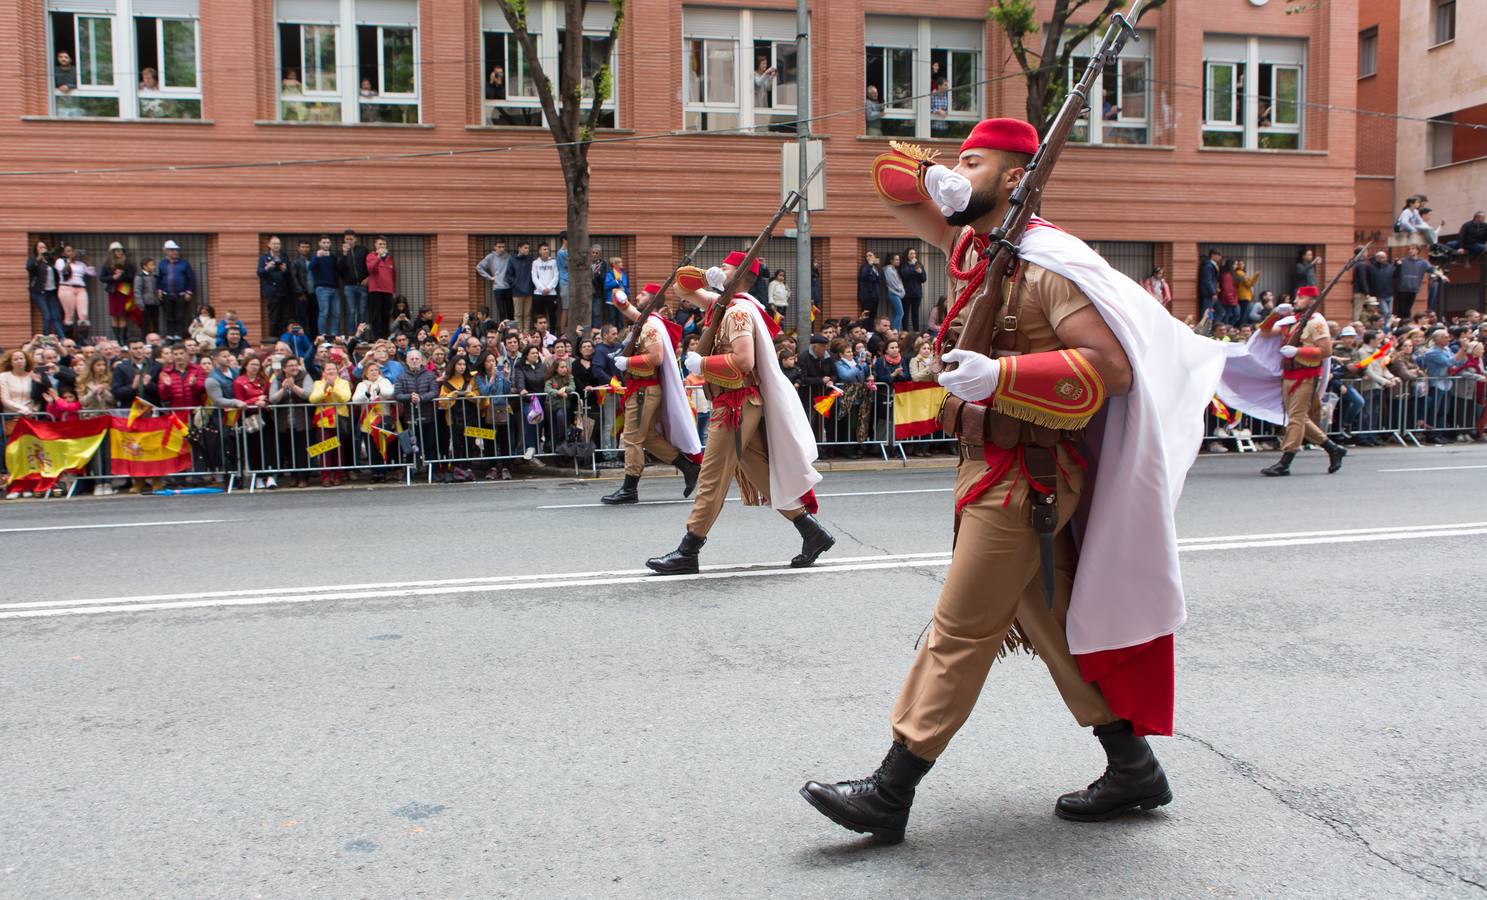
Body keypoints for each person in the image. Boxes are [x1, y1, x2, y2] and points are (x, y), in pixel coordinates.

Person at [804, 118, 1238, 844]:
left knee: (960, 629)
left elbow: (1110, 368)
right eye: (955, 161)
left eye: (974, 162)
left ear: (1014, 178)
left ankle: (890, 789)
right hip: (989, 465)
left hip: (1027, 476)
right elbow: (888, 185)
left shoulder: (1044, 265)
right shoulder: (984, 251)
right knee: (1048, 622)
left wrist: (1002, 374)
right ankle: (1131, 766)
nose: (954, 171)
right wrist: (934, 179)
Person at [646, 253, 834, 575]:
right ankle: (811, 531)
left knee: (711, 477)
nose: (720, 269)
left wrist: (701, 365)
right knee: (761, 473)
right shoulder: (726, 305)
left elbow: (743, 361)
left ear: (741, 275)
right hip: (738, 403)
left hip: (735, 404)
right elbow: (681, 285)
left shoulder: (737, 313)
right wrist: (708, 278)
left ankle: (688, 549)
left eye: (727, 268)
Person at [601, 285, 703, 504]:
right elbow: (626, 307)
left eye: (643, 294)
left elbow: (656, 357)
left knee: (632, 438)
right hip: (645, 389)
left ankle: (629, 488)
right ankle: (688, 466)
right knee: (647, 437)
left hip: (643, 390)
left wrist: (628, 361)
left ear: (652, 301)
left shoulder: (650, 326)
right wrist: (619, 297)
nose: (637, 296)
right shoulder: (649, 320)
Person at [1252, 288, 1349, 476]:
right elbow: (1264, 332)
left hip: (1306, 375)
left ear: (1313, 301)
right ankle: (1332, 448)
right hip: (1289, 374)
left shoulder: (1317, 323)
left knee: (1295, 418)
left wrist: (1298, 352)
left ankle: (1285, 462)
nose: (1296, 300)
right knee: (1298, 418)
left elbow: (1326, 350)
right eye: (1296, 296)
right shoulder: (1291, 321)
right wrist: (1274, 314)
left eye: (1301, 297)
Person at [309, 356, 351, 486]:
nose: (331, 371)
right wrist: (324, 388)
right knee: (324, 449)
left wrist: (334, 388)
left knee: (338, 449)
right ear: (323, 372)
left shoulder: (343, 383)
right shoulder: (318, 383)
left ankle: (338, 475)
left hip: (339, 420)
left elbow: (344, 398)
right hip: (323, 421)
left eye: (333, 369)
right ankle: (325, 476)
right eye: (328, 369)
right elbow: (313, 399)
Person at [233, 356, 273, 488]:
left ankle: (269, 475)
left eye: (257, 364)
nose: (255, 367)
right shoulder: (239, 382)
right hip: (248, 418)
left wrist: (264, 401)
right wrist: (255, 401)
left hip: (264, 416)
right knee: (253, 447)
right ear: (245, 366)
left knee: (267, 446)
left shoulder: (263, 380)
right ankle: (258, 476)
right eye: (252, 364)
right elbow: (240, 402)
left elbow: (269, 396)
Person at [512, 344, 548, 461]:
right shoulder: (520, 367)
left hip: (542, 400)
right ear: (526, 355)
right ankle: (530, 447)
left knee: (541, 424)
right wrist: (522, 389)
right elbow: (519, 380)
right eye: (532, 353)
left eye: (537, 353)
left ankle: (536, 448)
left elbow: (547, 380)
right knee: (532, 417)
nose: (535, 355)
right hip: (528, 400)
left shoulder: (542, 366)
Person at [53, 244, 95, 340]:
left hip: (81, 288)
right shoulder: (61, 261)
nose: (71, 253)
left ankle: (82, 340)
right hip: (67, 288)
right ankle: (70, 341)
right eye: (68, 251)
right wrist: (70, 260)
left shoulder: (80, 263)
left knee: (83, 314)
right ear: (63, 253)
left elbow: (92, 273)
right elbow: (63, 271)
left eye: (72, 251)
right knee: (69, 315)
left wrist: (88, 260)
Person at [157, 240, 196, 341]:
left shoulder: (184, 264)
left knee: (180, 315)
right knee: (168, 316)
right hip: (166, 294)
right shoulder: (162, 264)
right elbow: (159, 278)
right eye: (172, 250)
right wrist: (159, 290)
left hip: (181, 294)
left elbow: (191, 278)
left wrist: (189, 291)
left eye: (176, 250)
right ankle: (170, 335)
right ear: (166, 251)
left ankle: (178, 335)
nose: (175, 252)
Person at [28, 241, 64, 338]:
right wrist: (39, 258)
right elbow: (29, 267)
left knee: (56, 316)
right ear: (36, 249)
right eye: (40, 247)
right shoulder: (33, 259)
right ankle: (46, 339)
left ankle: (62, 337)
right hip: (40, 292)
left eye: (44, 247)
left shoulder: (50, 260)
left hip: (52, 291)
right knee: (47, 316)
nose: (42, 249)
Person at [258, 237, 293, 339]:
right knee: (274, 318)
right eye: (274, 244)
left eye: (278, 244)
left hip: (284, 292)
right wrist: (267, 267)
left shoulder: (284, 256)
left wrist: (285, 270)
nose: (276, 246)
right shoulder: (264, 258)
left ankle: (284, 340)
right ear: (269, 245)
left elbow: (289, 273)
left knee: (285, 318)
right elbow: (259, 273)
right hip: (272, 292)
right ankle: (273, 340)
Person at [308, 235, 341, 337]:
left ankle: (334, 334)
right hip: (322, 288)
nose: (326, 245)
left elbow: (338, 269)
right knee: (324, 312)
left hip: (334, 288)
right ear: (319, 243)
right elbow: (310, 267)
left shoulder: (332, 257)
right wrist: (317, 257)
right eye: (324, 242)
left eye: (328, 243)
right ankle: (322, 334)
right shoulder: (315, 256)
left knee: (336, 313)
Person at [338, 230, 370, 334]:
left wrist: (368, 278)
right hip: (349, 286)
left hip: (362, 285)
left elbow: (369, 265)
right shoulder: (341, 252)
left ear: (355, 239)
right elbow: (339, 269)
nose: (349, 241)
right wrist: (344, 254)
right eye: (347, 239)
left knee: (362, 311)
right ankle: (352, 336)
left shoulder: (363, 250)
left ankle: (362, 336)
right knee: (351, 311)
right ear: (344, 240)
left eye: (351, 239)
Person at [476, 239, 514, 323]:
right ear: (495, 247)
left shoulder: (509, 256)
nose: (501, 249)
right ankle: (503, 332)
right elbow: (479, 267)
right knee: (501, 311)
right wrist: (489, 277)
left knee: (511, 311)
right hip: (497, 287)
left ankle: (512, 332)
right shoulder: (490, 257)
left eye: (503, 247)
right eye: (499, 247)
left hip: (509, 287)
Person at [366, 236, 396, 339]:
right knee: (375, 315)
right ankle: (377, 337)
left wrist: (393, 290)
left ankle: (385, 336)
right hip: (375, 290)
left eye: (384, 244)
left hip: (388, 291)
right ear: (375, 245)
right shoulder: (371, 256)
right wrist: (379, 257)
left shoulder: (389, 258)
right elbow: (370, 269)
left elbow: (393, 275)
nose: (382, 246)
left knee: (386, 315)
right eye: (380, 244)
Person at [1395, 244, 1430, 320]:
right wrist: (1397, 265)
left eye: (1413, 249)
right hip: (1402, 288)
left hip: (1413, 288)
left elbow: (1432, 269)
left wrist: (1442, 276)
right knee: (1402, 310)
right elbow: (1395, 273)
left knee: (1408, 309)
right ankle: (1402, 324)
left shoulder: (1423, 262)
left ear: (1417, 251)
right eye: (1409, 249)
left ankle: (1406, 322)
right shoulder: (1403, 260)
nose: (1410, 250)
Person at [532, 242, 560, 328]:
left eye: (548, 249)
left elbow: (556, 276)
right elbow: (534, 277)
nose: (547, 251)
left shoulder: (553, 262)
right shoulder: (535, 262)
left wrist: (548, 288)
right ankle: (540, 333)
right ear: (539, 251)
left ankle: (552, 332)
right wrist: (542, 289)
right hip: (538, 293)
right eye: (544, 249)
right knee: (539, 315)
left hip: (551, 293)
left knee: (552, 314)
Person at [900, 248, 927, 332]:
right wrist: (913, 267)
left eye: (914, 254)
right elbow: (904, 274)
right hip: (907, 293)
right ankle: (905, 331)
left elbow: (923, 279)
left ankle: (916, 331)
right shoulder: (904, 264)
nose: (913, 256)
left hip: (917, 293)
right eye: (911, 254)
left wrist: (919, 272)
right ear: (907, 255)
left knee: (915, 313)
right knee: (905, 313)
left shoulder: (918, 264)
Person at [511, 241, 536, 330]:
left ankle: (526, 332)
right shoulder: (512, 260)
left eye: (528, 248)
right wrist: (516, 284)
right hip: (517, 292)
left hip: (528, 291)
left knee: (527, 314)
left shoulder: (530, 259)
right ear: (519, 248)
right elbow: (509, 276)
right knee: (518, 314)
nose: (527, 250)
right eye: (525, 248)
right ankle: (519, 333)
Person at [883, 252, 907, 331]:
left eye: (899, 259)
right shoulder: (889, 270)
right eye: (896, 260)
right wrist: (901, 289)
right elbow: (893, 284)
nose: (898, 261)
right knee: (900, 313)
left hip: (896, 293)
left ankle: (896, 330)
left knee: (897, 313)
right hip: (893, 293)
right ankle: (895, 330)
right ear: (891, 261)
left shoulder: (893, 269)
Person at [857, 251, 883, 317]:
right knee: (866, 315)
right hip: (867, 296)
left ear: (875, 257)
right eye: (867, 256)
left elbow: (879, 281)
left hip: (875, 296)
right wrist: (869, 265)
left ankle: (871, 327)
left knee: (873, 315)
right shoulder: (865, 267)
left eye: (870, 255)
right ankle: (865, 327)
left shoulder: (876, 268)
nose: (868, 257)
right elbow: (864, 276)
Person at [1199, 248, 1221, 320]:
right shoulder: (1208, 266)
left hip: (1211, 293)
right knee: (1207, 312)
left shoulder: (1212, 265)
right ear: (1212, 255)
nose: (1220, 257)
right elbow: (1207, 280)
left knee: (1219, 311)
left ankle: (1212, 326)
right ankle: (1207, 328)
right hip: (1209, 293)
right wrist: (1213, 292)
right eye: (1218, 255)